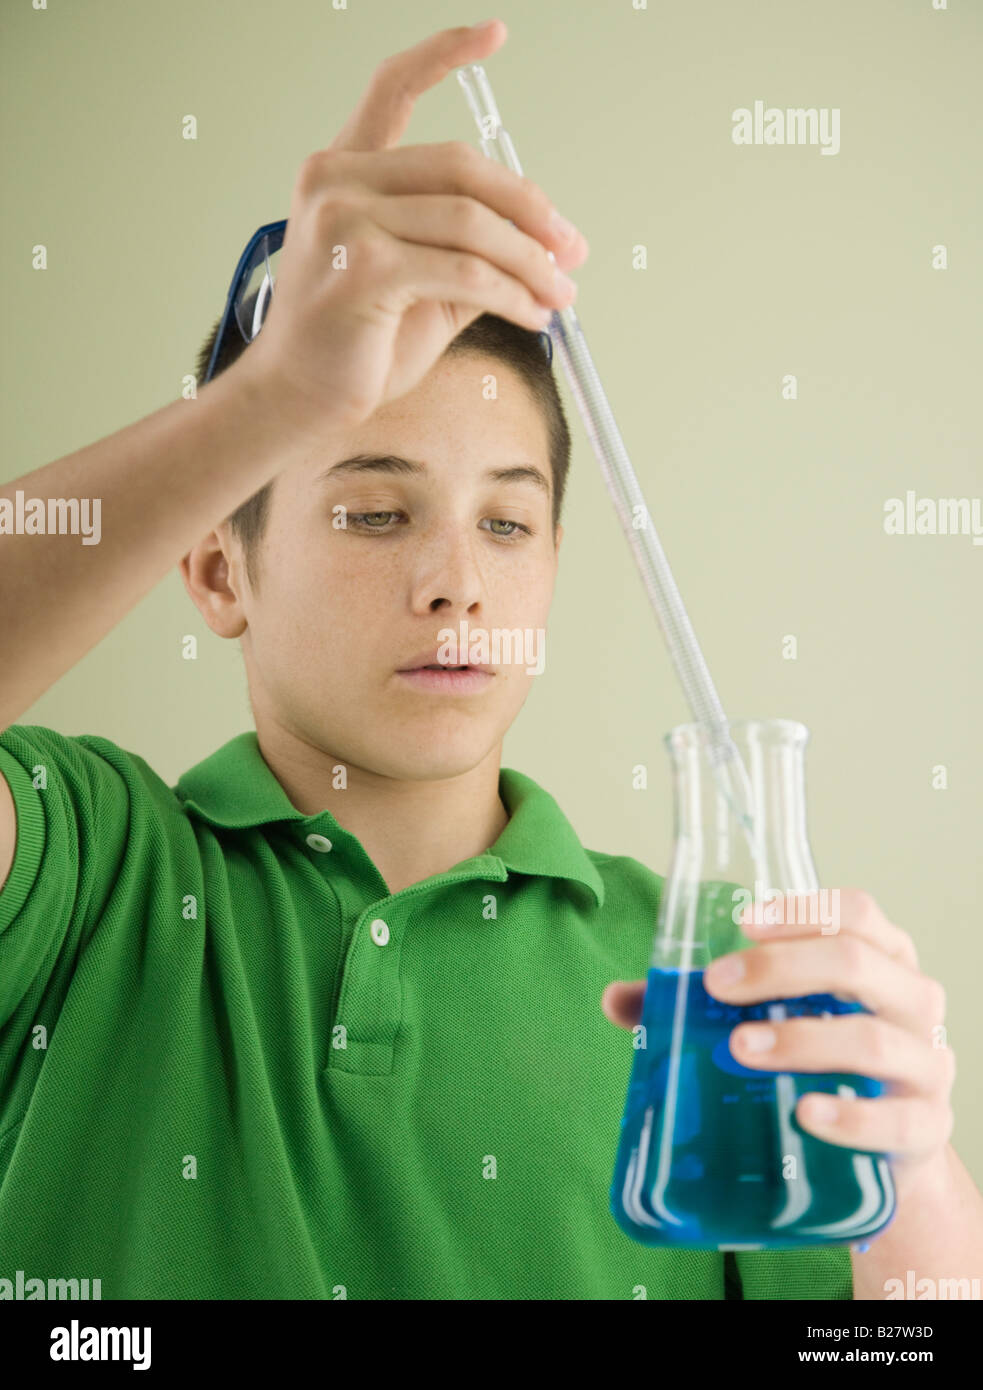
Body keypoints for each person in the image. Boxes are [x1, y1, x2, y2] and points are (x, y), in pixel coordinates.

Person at [1, 21, 977, 1302]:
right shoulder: (89, 870)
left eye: (507, 521)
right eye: (373, 509)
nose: (456, 578)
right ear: (215, 567)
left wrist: (913, 1184)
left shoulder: (710, 980)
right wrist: (274, 397)